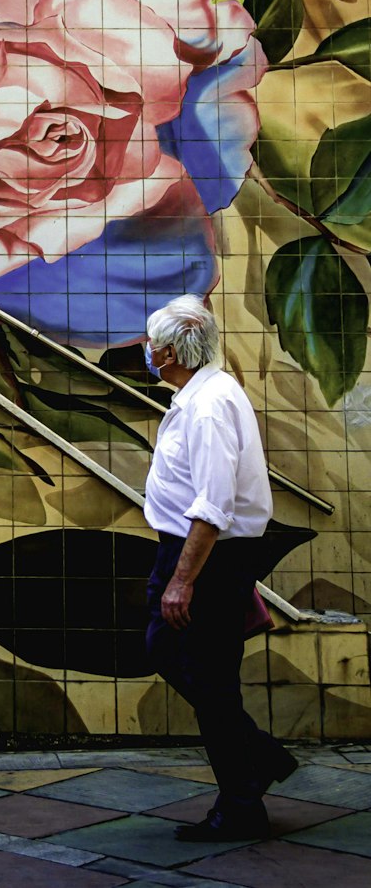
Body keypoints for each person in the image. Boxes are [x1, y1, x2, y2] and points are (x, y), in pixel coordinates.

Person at [143, 295, 297, 841]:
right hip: (195, 553)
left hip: (204, 557)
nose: (147, 352)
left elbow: (213, 506)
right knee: (173, 655)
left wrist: (182, 581)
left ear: (170, 352)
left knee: (208, 679)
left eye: (152, 344)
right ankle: (258, 758)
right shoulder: (202, 392)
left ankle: (240, 802)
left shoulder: (207, 407)